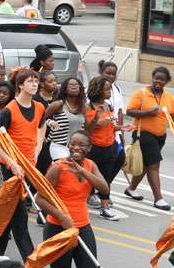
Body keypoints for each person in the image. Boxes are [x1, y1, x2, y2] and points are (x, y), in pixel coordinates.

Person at [35, 130, 108, 268]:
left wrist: (83, 172)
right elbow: (40, 198)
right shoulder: (57, 167)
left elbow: (104, 188)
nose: (77, 148)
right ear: (68, 145)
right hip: (59, 228)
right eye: (73, 144)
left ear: (89, 148)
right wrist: (62, 217)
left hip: (83, 227)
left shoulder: (90, 165)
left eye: (82, 145)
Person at [0, 68, 44, 264]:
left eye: (36, 81)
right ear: (20, 85)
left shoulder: (39, 107)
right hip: (11, 168)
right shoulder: (9, 110)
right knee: (19, 213)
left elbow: (41, 126)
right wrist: (11, 163)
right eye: (30, 81)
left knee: (10, 210)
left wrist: (38, 147)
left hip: (28, 166)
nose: (34, 84)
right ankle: (30, 257)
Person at [124, 66, 174, 210]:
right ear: (152, 78)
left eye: (162, 79)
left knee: (146, 164)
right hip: (143, 134)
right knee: (153, 164)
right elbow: (130, 111)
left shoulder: (168, 97)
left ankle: (131, 188)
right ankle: (158, 199)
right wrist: (147, 113)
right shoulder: (142, 93)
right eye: (156, 78)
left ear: (167, 82)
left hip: (160, 137)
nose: (158, 81)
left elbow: (172, 115)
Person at [85, 76, 132, 221]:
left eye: (110, 89)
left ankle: (104, 208)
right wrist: (97, 121)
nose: (110, 92)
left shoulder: (109, 107)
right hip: (93, 149)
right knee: (86, 179)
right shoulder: (88, 107)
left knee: (105, 181)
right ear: (98, 90)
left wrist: (121, 127)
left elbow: (110, 127)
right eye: (107, 89)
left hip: (109, 147)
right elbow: (86, 129)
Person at [45, 77, 86, 161]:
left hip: (75, 148)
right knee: (65, 169)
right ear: (65, 89)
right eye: (70, 85)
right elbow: (39, 119)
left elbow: (87, 128)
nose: (74, 87)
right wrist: (50, 122)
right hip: (58, 146)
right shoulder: (58, 105)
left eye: (76, 85)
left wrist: (96, 118)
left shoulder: (82, 107)